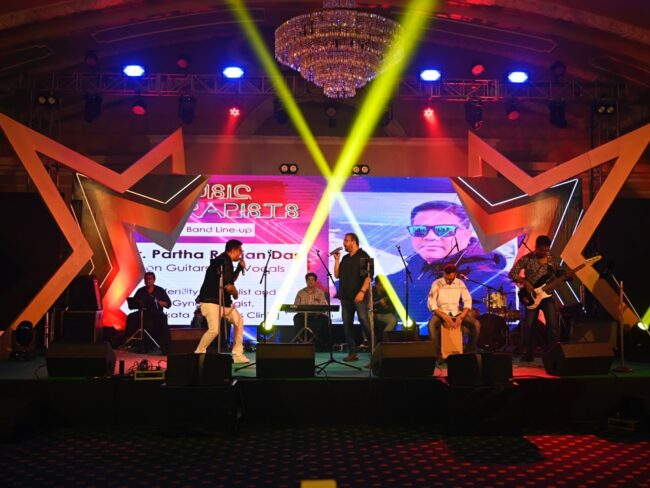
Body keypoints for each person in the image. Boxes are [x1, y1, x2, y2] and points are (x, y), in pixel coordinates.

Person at [386, 200, 508, 324]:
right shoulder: (399, 278)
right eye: (419, 230)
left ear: (467, 234)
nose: (430, 237)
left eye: (444, 229)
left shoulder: (494, 281)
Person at [509, 235, 571, 362]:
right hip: (532, 296)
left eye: (547, 250)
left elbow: (559, 272)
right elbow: (512, 273)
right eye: (542, 250)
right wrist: (525, 282)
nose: (545, 252)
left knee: (553, 325)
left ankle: (553, 354)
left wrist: (565, 275)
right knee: (529, 325)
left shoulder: (552, 260)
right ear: (536, 247)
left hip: (547, 296)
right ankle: (528, 353)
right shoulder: (527, 259)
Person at [194, 239, 250, 363]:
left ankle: (238, 354)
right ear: (233, 250)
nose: (241, 254)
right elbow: (229, 286)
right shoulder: (224, 261)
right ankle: (198, 352)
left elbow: (229, 280)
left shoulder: (225, 260)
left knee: (238, 321)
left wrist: (239, 269)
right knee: (214, 330)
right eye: (240, 251)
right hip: (211, 301)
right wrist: (236, 294)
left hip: (222, 302)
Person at [427, 264, 481, 360]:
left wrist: (461, 317)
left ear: (455, 274)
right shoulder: (437, 283)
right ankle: (438, 354)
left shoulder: (460, 283)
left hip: (456, 312)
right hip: (441, 312)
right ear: (444, 274)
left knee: (476, 324)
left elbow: (468, 300)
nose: (448, 281)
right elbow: (431, 302)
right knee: (431, 325)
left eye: (451, 279)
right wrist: (444, 316)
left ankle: (469, 351)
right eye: (447, 279)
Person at [333, 233, 372, 362]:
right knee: (347, 325)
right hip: (346, 296)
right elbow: (337, 275)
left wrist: (362, 292)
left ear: (354, 242)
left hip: (359, 296)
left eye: (346, 240)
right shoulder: (345, 258)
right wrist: (337, 260)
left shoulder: (364, 256)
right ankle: (352, 352)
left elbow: (368, 277)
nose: (344, 243)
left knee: (364, 321)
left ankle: (375, 352)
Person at [126, 271, 171, 354]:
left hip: (156, 313)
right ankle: (131, 342)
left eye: (150, 279)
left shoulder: (160, 290)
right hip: (143, 312)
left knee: (160, 319)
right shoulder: (140, 291)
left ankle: (157, 346)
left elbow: (168, 304)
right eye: (146, 279)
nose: (147, 281)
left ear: (154, 280)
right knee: (131, 316)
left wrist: (160, 302)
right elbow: (134, 302)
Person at [292, 272, 329, 350]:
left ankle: (320, 344)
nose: (310, 282)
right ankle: (300, 342)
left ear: (315, 281)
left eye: (312, 280)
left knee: (325, 319)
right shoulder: (300, 292)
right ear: (306, 281)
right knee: (296, 317)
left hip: (316, 316)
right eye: (309, 280)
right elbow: (296, 305)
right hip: (303, 315)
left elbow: (324, 305)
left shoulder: (320, 292)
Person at [372, 276, 398, 343]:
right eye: (381, 285)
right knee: (366, 318)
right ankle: (368, 340)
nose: (383, 287)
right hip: (373, 313)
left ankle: (384, 339)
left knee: (393, 320)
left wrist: (384, 305)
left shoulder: (388, 293)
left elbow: (392, 310)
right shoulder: (371, 292)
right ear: (376, 284)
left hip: (385, 314)